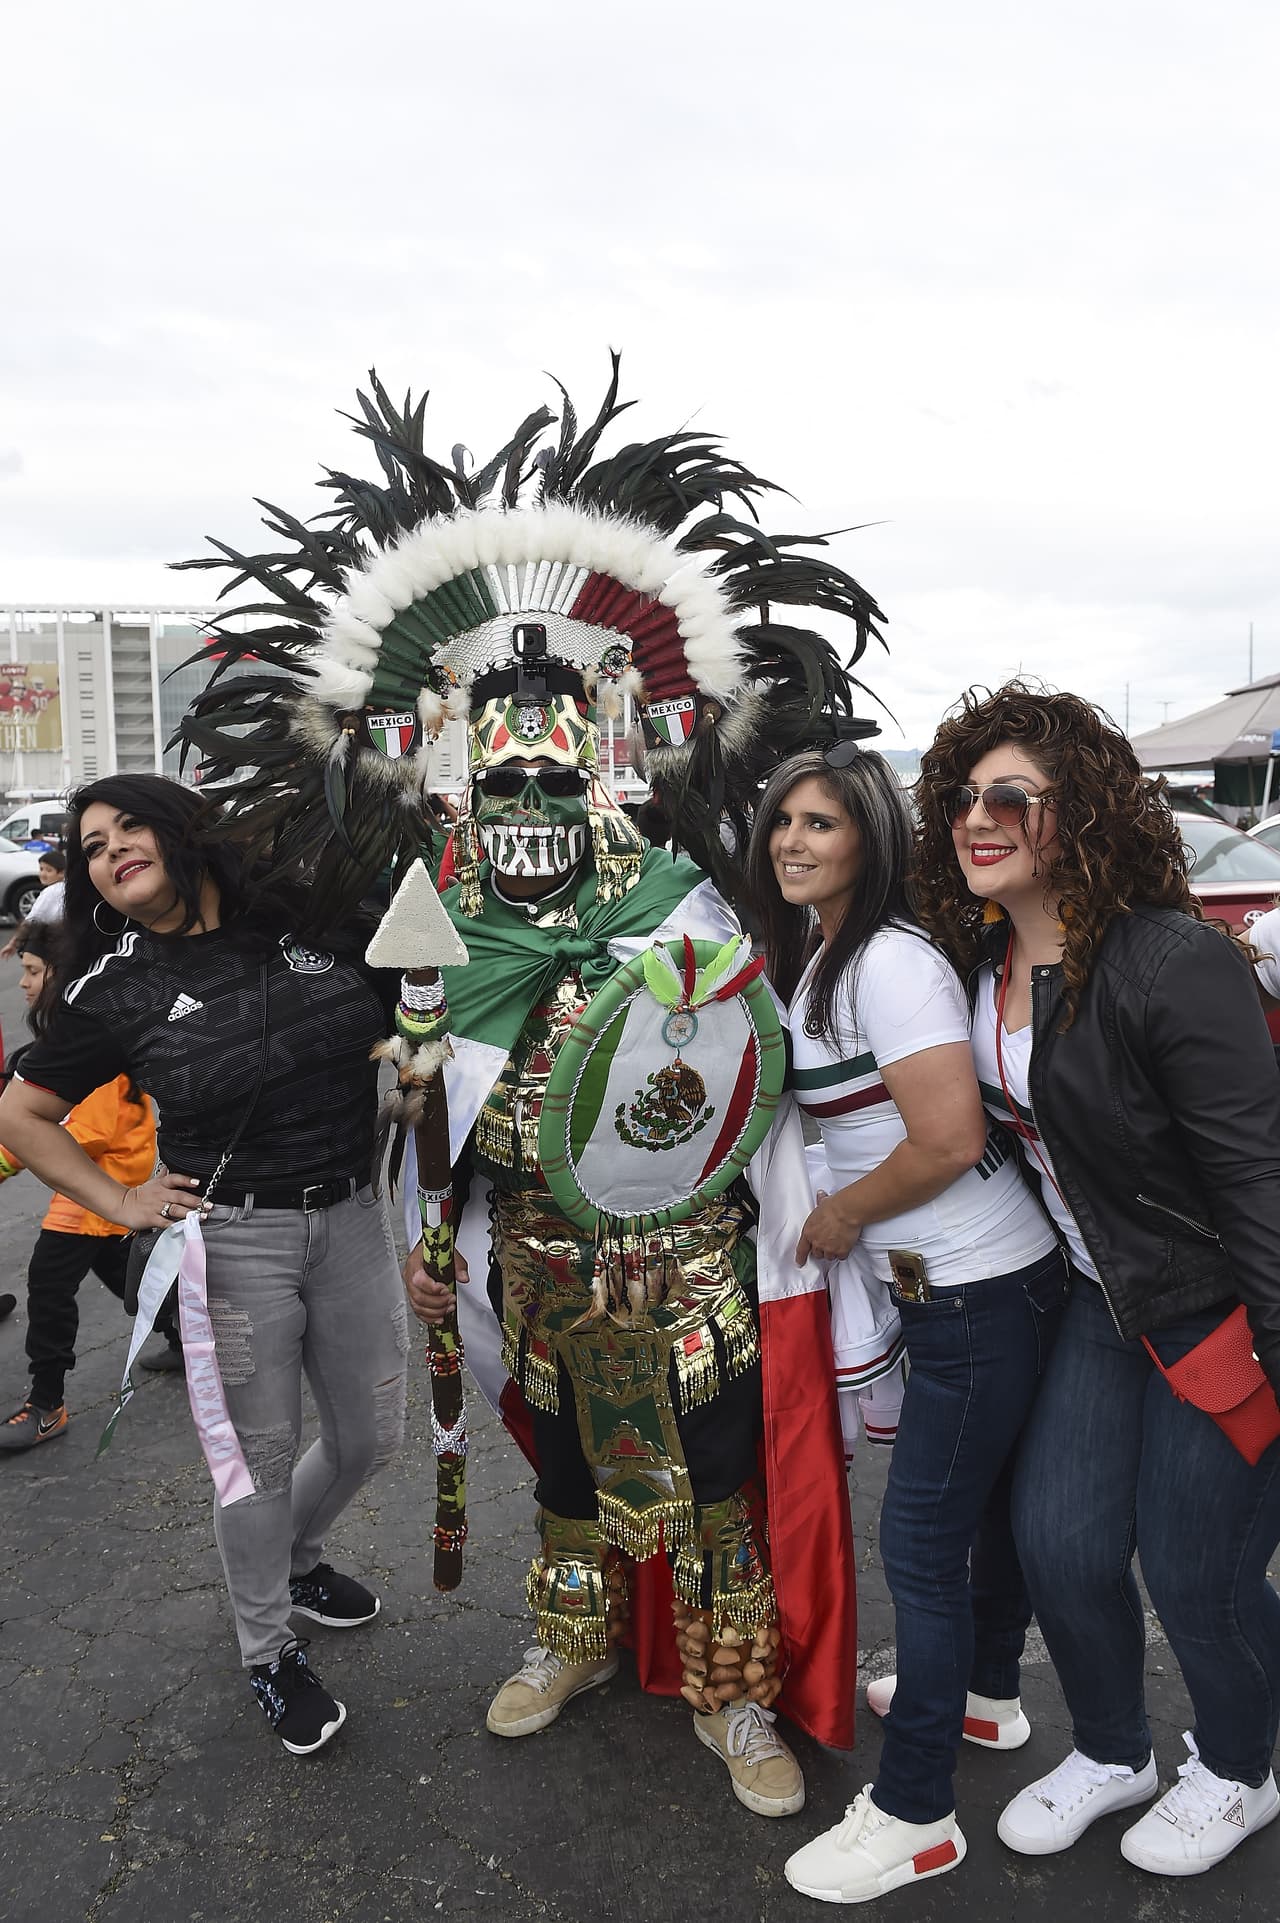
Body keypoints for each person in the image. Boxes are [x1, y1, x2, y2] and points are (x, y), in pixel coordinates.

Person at [169, 357, 889, 1816]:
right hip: (536, 1254)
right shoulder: (437, 909)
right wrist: (431, 1234)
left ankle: (735, 1694)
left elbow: (740, 1073)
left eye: (558, 787)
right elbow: (425, 1105)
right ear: (453, 789)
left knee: (715, 1476)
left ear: (611, 778)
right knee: (561, 1467)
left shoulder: (682, 894)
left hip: (683, 1257)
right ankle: (568, 1642)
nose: (530, 813)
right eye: (502, 791)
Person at [912, 681, 1280, 1879]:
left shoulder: (1170, 962)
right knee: (1058, 1544)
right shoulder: (976, 957)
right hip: (1089, 1301)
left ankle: (1236, 1768)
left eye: (1010, 798)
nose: (979, 818)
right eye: (966, 796)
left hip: (1207, 1309)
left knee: (1195, 1567)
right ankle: (1114, 1749)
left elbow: (1253, 1180)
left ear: (1084, 814)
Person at [0, 773, 412, 1757]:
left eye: (127, 826)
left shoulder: (320, 920)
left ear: (186, 829)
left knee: (369, 1438)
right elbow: (21, 1114)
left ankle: (301, 1562)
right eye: (91, 845)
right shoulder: (110, 985)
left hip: (354, 1218)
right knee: (253, 1468)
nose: (109, 852)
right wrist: (124, 1201)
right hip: (230, 1241)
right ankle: (267, 1650)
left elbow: (418, 1009)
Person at [746, 749, 1068, 1905]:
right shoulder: (824, 952)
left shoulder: (884, 963)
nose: (792, 841)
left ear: (866, 839)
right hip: (961, 1289)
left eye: (820, 823)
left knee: (919, 1550)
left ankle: (916, 1813)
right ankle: (982, 1695)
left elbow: (936, 1138)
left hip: (977, 1291)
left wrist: (837, 1215)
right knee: (973, 1519)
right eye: (782, 821)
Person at [0, 921, 161, 1450]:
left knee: (48, 1287)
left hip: (103, 1187)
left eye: (32, 972)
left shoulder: (88, 1035)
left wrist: (7, 1157)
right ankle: (192, 1337)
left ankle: (47, 1403)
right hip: (101, 1188)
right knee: (125, 1276)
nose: (22, 983)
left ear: (59, 975)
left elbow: (86, 1131)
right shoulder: (68, 1033)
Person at [0, 847, 65, 959]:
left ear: (62, 873)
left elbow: (31, 921)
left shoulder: (50, 892)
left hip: (55, 943)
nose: (43, 874)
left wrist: (13, 944)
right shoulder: (70, 887)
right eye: (41, 869)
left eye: (49, 870)